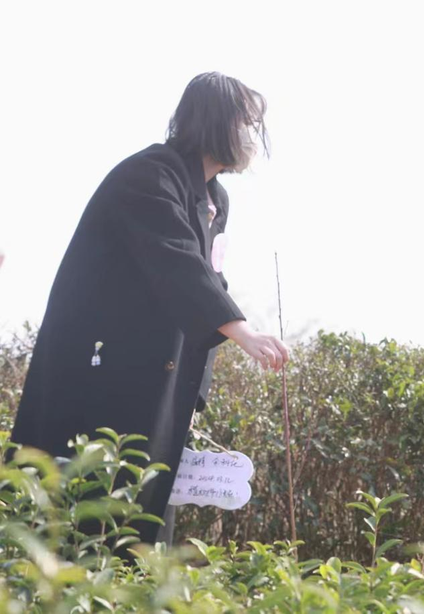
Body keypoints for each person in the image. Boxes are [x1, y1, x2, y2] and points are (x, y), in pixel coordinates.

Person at [11, 72, 289, 546]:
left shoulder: (215, 199)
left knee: (143, 510)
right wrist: (242, 331)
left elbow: (209, 277)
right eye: (247, 123)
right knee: (87, 501)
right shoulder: (149, 174)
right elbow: (175, 258)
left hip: (158, 376)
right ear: (218, 121)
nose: (252, 138)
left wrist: (194, 392)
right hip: (100, 368)